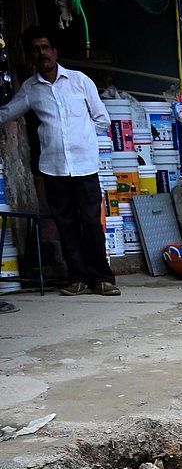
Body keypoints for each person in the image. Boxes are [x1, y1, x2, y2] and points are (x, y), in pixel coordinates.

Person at [2, 28, 117, 295]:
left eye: (46, 47)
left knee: (90, 222)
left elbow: (102, 119)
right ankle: (77, 277)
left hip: (85, 166)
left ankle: (102, 278)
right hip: (54, 168)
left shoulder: (79, 81)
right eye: (36, 49)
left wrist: (84, 139)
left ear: (55, 52)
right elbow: (9, 111)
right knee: (65, 224)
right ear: (31, 55)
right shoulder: (31, 89)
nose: (42, 53)